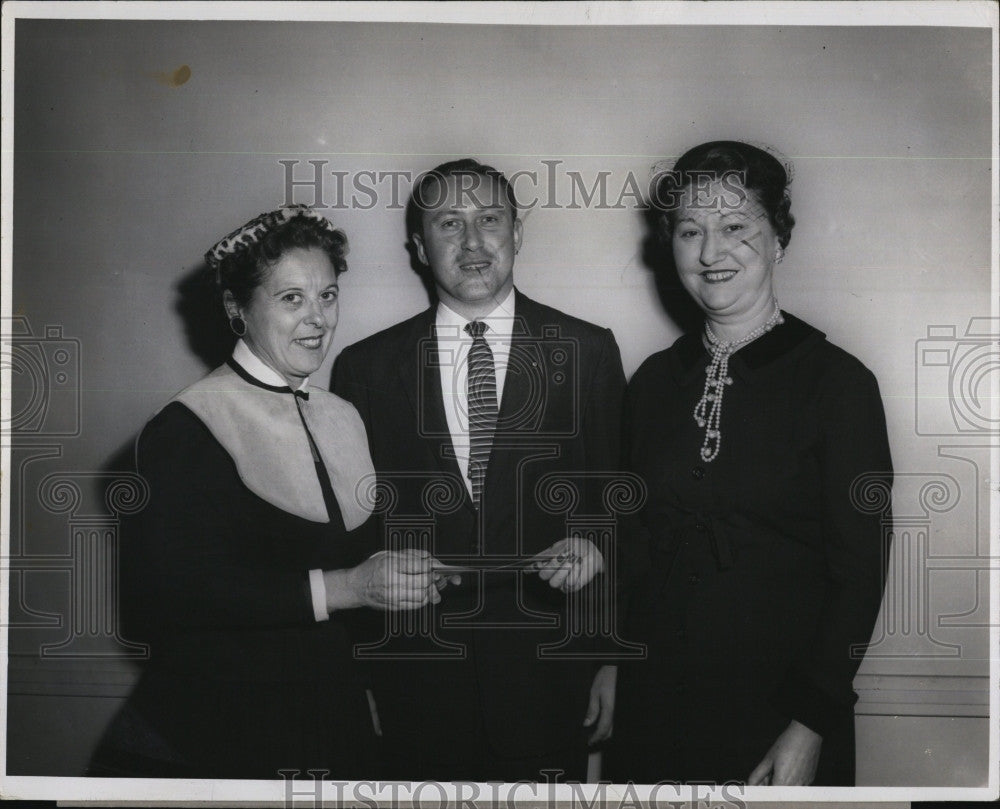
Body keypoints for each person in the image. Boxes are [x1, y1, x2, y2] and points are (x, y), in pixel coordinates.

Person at [90, 205, 445, 779]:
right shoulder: (187, 425)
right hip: (220, 738)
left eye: (327, 296)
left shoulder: (342, 415)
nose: (317, 319)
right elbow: (161, 603)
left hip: (333, 724)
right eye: (290, 299)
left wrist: (391, 576)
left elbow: (345, 573)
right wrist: (348, 586)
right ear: (237, 307)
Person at [608, 141, 893, 786]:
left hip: (780, 714)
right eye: (691, 231)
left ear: (777, 240)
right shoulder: (652, 384)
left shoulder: (838, 384)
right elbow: (632, 548)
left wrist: (810, 723)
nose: (711, 252)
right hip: (657, 705)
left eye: (735, 227)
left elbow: (860, 574)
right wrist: (610, 665)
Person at [333, 159, 626, 782]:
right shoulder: (365, 369)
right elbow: (357, 536)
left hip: (550, 686)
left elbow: (615, 508)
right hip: (416, 689)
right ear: (419, 246)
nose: (472, 241)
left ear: (517, 233)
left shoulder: (588, 351)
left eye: (490, 219)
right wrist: (358, 676)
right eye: (448, 223)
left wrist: (609, 658)